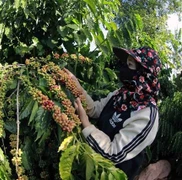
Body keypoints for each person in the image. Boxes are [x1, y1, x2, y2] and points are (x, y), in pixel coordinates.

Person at [68, 46, 162, 180]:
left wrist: (86, 124)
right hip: (89, 163)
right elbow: (95, 109)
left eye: (129, 65)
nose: (123, 68)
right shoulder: (121, 94)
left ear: (143, 73)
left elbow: (114, 153)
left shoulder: (147, 115)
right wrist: (77, 87)